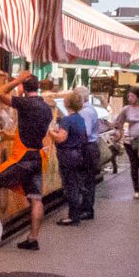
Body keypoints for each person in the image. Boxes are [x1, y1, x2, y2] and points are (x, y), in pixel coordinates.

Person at [0, 72, 50, 250]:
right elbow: (31, 132)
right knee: (36, 198)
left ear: (24, 88)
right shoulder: (46, 108)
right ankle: (33, 238)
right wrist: (9, 137)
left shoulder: (24, 103)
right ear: (38, 88)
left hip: (23, 158)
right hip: (38, 157)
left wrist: (16, 80)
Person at [51, 92, 95, 224]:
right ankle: (78, 213)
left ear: (67, 103)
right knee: (76, 184)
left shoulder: (67, 120)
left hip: (67, 155)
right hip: (78, 154)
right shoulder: (79, 118)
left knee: (70, 186)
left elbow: (61, 138)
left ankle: (73, 216)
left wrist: (50, 132)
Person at [117, 87, 139, 200]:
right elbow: (118, 122)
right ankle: (136, 189)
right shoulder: (126, 109)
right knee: (134, 164)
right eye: (128, 96)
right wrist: (120, 132)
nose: (130, 98)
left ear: (138, 97)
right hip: (129, 140)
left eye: (132, 96)